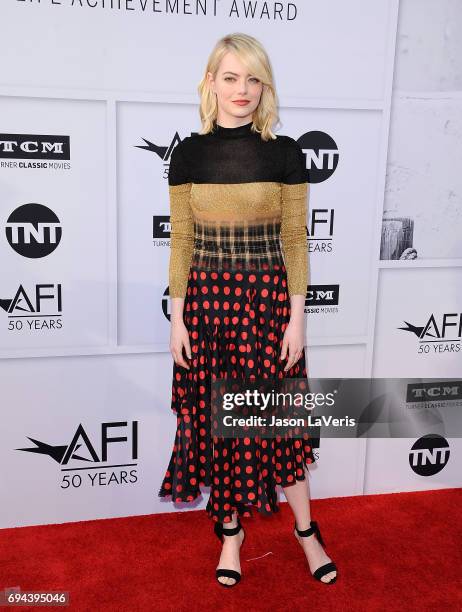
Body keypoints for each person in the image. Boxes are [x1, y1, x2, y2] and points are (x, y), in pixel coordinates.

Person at [158, 33, 338, 588]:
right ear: (210, 82)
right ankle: (230, 536)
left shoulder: (285, 154)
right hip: (209, 309)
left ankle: (307, 532)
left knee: (280, 422)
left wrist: (298, 317)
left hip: (266, 308)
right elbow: (182, 240)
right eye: (231, 77)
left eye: (253, 78)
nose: (243, 89)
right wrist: (178, 315)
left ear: (265, 87)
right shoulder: (188, 154)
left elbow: (295, 238)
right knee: (223, 427)